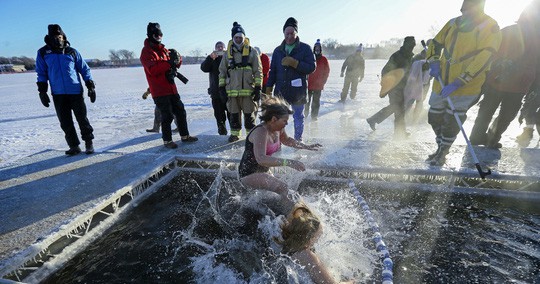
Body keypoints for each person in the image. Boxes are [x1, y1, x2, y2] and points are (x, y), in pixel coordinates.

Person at [425, 0, 501, 166]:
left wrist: (461, 81)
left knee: (452, 121)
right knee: (434, 117)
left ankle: (443, 151)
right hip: (441, 82)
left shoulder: (490, 26)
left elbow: (486, 56)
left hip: (467, 86)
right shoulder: (453, 23)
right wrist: (433, 61)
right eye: (464, 10)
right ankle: (440, 147)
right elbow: (436, 43)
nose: (465, 14)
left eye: (469, 10)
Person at [469, 7, 538, 149]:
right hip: (497, 81)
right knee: (486, 111)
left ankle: (492, 138)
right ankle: (477, 138)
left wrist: (534, 84)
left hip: (520, 85)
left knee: (507, 116)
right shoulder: (509, 31)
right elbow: (491, 51)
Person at [239, 97, 322, 210]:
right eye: (284, 120)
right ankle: (291, 218)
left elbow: (287, 140)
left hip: (263, 172)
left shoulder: (278, 129)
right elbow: (261, 159)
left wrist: (306, 146)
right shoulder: (261, 132)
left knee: (286, 189)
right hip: (248, 174)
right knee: (283, 187)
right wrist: (288, 162)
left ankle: (285, 213)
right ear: (273, 119)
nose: (287, 123)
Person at [36, 24, 96, 156]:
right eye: (55, 37)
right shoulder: (43, 53)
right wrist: (42, 91)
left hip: (75, 91)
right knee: (65, 122)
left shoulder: (72, 51)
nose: (58, 39)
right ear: (49, 38)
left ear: (63, 37)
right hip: (58, 94)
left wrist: (90, 85)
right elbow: (41, 73)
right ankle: (74, 146)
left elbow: (84, 69)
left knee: (82, 119)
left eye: (60, 36)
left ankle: (88, 143)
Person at [140, 22, 198, 149]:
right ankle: (167, 141)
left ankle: (185, 136)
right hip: (159, 90)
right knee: (167, 116)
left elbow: (175, 65)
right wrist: (168, 63)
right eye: (156, 35)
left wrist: (178, 59)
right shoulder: (146, 52)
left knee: (181, 112)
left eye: (160, 34)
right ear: (150, 35)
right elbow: (153, 70)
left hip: (171, 88)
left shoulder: (165, 50)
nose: (159, 37)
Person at [275, 202, 353, 284]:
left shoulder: (285, 235)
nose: (318, 239)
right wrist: (352, 281)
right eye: (317, 237)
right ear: (309, 239)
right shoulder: (307, 255)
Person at [266, 17, 316, 141]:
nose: (289, 36)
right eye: (287, 33)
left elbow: (311, 67)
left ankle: (298, 140)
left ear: (296, 33)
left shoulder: (305, 48)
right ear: (283, 34)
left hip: (298, 91)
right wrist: (268, 87)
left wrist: (295, 63)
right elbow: (273, 71)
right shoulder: (278, 51)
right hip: (281, 92)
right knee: (277, 118)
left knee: (298, 117)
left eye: (292, 33)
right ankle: (278, 141)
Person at [219, 22, 263, 143]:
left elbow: (258, 71)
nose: (238, 39)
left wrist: (258, 87)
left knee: (249, 116)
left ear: (244, 38)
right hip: (232, 92)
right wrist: (221, 88)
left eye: (240, 37)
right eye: (236, 37)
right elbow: (222, 71)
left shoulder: (252, 52)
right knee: (234, 115)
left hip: (248, 91)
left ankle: (251, 137)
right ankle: (235, 135)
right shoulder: (227, 55)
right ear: (232, 38)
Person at [366, 36, 416, 138]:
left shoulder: (409, 57)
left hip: (403, 87)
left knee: (397, 108)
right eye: (411, 45)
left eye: (413, 45)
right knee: (398, 108)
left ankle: (374, 119)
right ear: (406, 44)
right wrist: (388, 84)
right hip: (394, 87)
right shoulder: (397, 56)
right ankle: (399, 132)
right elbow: (385, 70)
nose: (412, 47)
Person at [201, 41, 229, 135]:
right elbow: (204, 68)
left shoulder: (229, 57)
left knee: (232, 112)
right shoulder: (212, 58)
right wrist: (210, 58)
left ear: (225, 48)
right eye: (218, 47)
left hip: (229, 90)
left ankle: (235, 132)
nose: (220, 48)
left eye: (221, 47)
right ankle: (222, 130)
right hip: (216, 91)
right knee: (219, 114)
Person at [306, 39, 330, 121]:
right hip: (308, 84)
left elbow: (327, 71)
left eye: (318, 49)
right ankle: (305, 115)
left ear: (320, 50)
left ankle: (314, 116)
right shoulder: (309, 57)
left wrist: (323, 82)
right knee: (306, 101)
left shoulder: (324, 59)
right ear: (314, 49)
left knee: (316, 102)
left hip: (318, 85)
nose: (317, 50)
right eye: (316, 48)